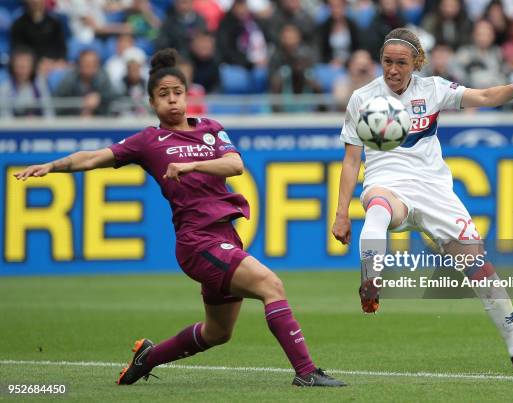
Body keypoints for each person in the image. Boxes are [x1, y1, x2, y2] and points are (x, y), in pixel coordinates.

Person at [13, 48, 345, 388]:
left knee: (217, 332)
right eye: (163, 95)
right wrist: (52, 166)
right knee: (271, 286)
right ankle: (306, 372)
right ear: (151, 103)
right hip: (197, 241)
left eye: (177, 93)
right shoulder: (148, 140)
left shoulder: (211, 129)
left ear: (187, 96)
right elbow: (94, 157)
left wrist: (191, 165)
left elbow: (235, 165)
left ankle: (147, 357)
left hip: (225, 236)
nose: (172, 100)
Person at [331, 27, 513, 374]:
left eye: (401, 63)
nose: (393, 70)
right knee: (379, 207)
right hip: (387, 182)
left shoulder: (433, 89)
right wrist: (341, 214)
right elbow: (352, 160)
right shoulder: (362, 98)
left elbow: (487, 96)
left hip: (434, 190)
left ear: (417, 62)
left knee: (482, 271)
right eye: (387, 62)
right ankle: (371, 282)